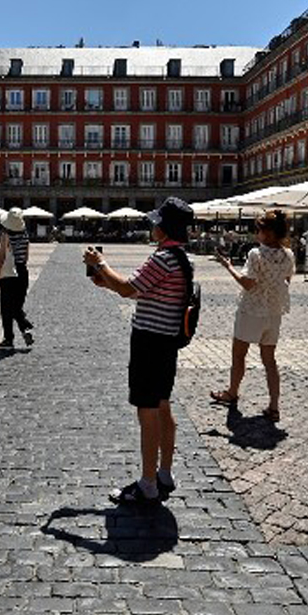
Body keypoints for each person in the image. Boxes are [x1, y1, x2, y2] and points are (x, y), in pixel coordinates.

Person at [83, 197, 194, 505]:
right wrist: (108, 283)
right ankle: (165, 473)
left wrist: (100, 264)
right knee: (163, 406)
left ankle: (147, 484)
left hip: (150, 341)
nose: (153, 226)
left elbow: (130, 288)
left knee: (147, 412)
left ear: (165, 227)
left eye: (157, 222)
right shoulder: (182, 258)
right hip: (167, 340)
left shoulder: (162, 258)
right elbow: (146, 291)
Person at [210, 210, 295, 422]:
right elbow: (286, 281)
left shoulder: (256, 254)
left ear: (268, 233)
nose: (256, 233)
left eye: (259, 229)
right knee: (269, 360)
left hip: (252, 310)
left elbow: (248, 283)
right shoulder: (288, 255)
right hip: (274, 313)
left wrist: (228, 266)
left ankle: (232, 392)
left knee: (239, 355)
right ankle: (274, 406)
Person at [0, 208, 35, 350]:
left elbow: (1, 258)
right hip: (22, 272)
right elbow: (26, 257)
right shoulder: (25, 235)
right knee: (16, 305)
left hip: (9, 274)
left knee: (6, 308)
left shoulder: (5, 235)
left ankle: (9, 339)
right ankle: (24, 328)